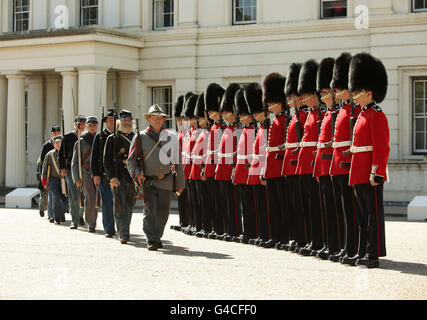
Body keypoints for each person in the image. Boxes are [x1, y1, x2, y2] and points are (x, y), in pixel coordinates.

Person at [348, 52, 390, 269]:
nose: (354, 94)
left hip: (370, 173)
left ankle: (372, 255)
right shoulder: (362, 115)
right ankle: (363, 250)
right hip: (358, 171)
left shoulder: (377, 115)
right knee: (362, 216)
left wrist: (377, 171)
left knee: (372, 215)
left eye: (358, 91)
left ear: (369, 92)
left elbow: (382, 147)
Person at [127, 104, 185, 251]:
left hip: (166, 180)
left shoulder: (171, 137)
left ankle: (157, 235)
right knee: (149, 211)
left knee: (163, 212)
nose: (158, 120)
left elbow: (178, 161)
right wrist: (137, 173)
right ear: (149, 119)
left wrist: (180, 182)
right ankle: (152, 239)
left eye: (160, 118)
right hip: (148, 180)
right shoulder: (140, 137)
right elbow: (131, 160)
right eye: (155, 118)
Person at [328, 53, 362, 264]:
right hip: (339, 164)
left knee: (352, 211)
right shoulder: (342, 110)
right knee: (343, 211)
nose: (337, 93)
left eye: (340, 89)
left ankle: (353, 248)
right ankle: (346, 247)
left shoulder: (356, 109)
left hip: (350, 164)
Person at [296, 59, 326, 257]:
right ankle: (311, 240)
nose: (303, 98)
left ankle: (319, 241)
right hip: (304, 164)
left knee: (317, 207)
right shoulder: (308, 114)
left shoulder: (321, 114)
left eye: (307, 94)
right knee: (307, 206)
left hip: (314, 164)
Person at [313, 57, 342, 260]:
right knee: (325, 209)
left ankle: (338, 244)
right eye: (322, 92)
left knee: (336, 208)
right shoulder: (327, 113)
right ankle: (328, 243)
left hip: (335, 165)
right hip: (324, 165)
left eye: (325, 92)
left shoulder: (339, 112)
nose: (323, 95)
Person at [282, 63, 309, 253]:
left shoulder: (305, 116)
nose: (290, 99)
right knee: (295, 205)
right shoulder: (294, 117)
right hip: (294, 165)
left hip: (304, 164)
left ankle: (305, 238)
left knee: (305, 206)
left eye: (293, 96)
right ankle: (299, 237)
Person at [262, 73, 290, 249]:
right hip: (272, 166)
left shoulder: (286, 120)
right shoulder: (275, 121)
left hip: (280, 166)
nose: (269, 105)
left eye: (273, 101)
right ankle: (275, 235)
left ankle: (284, 236)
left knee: (282, 204)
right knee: (273, 204)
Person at [103, 110, 136, 244]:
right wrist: (111, 177)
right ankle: (123, 233)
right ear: (119, 122)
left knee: (129, 205)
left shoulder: (136, 137)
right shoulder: (113, 138)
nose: (126, 123)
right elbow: (107, 160)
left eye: (128, 120)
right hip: (118, 176)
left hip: (131, 176)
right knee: (119, 205)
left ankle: (124, 229)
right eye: (123, 120)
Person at [215, 83, 242, 242]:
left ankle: (235, 229)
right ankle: (228, 229)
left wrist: (233, 168)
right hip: (223, 168)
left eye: (227, 112)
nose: (224, 114)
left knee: (233, 203)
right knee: (225, 202)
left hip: (232, 168)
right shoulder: (226, 129)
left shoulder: (237, 130)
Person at [245, 83, 270, 247]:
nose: (255, 114)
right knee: (258, 206)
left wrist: (264, 172)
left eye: (257, 111)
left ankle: (266, 233)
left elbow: (267, 152)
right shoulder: (261, 127)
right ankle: (261, 234)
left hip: (263, 169)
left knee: (264, 206)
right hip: (256, 169)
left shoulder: (267, 126)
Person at [232, 88, 258, 244]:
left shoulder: (254, 130)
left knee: (252, 204)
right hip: (242, 171)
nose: (240, 117)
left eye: (243, 114)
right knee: (245, 206)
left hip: (250, 171)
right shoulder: (243, 131)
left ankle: (253, 231)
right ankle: (247, 231)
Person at [203, 83, 226, 239]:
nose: (210, 112)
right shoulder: (214, 127)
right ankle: (215, 226)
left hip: (220, 166)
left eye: (212, 109)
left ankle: (221, 227)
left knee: (221, 200)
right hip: (212, 166)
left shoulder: (223, 127)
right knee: (213, 200)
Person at [189, 93, 212, 238]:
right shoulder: (203, 132)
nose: (199, 120)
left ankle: (207, 225)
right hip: (195, 169)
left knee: (206, 201)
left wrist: (204, 168)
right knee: (198, 201)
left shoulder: (209, 132)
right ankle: (201, 225)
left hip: (203, 169)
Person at [91, 109, 117, 238]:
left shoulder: (120, 135)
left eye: (114, 120)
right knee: (107, 203)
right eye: (109, 120)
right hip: (103, 175)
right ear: (106, 122)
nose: (112, 122)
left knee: (119, 203)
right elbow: (94, 157)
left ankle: (121, 227)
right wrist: (95, 174)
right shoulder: (99, 136)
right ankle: (109, 228)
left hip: (118, 175)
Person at [72, 116, 99, 233]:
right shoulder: (81, 141)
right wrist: (77, 178)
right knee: (91, 198)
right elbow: (75, 162)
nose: (92, 127)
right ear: (86, 126)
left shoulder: (101, 139)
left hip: (98, 172)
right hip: (86, 172)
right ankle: (91, 223)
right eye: (90, 125)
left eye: (94, 125)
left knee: (98, 199)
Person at [59, 115, 86, 229]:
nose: (81, 125)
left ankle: (80, 214)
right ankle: (74, 220)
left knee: (84, 195)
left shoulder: (86, 137)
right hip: (72, 169)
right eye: (79, 123)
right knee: (74, 195)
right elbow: (61, 154)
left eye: (83, 123)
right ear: (75, 124)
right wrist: (63, 168)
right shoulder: (68, 137)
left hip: (85, 169)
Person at [181, 93, 200, 236]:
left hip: (198, 168)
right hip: (189, 168)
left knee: (199, 200)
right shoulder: (191, 131)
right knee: (192, 200)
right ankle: (193, 223)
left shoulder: (199, 131)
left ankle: (200, 224)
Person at [37, 125, 62, 221]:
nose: (56, 135)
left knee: (54, 195)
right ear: (51, 134)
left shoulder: (62, 143)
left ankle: (53, 214)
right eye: (54, 133)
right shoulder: (46, 146)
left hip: (58, 174)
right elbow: (42, 161)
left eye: (57, 133)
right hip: (48, 173)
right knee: (44, 193)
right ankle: (42, 207)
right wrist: (42, 175)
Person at [170, 95, 188, 231]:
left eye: (181, 119)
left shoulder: (187, 134)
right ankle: (183, 221)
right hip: (181, 169)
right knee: (181, 197)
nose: (179, 121)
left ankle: (187, 221)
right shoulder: (180, 134)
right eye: (178, 119)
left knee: (188, 198)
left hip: (187, 169)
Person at [41, 135, 65, 225]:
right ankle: (56, 217)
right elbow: (45, 168)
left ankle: (61, 215)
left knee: (63, 199)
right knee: (55, 197)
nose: (59, 144)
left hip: (63, 180)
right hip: (53, 179)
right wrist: (44, 181)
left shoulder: (64, 154)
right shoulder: (49, 155)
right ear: (54, 145)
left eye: (60, 143)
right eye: (57, 143)